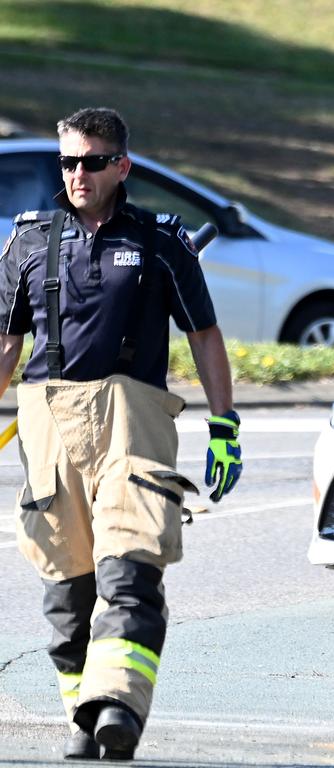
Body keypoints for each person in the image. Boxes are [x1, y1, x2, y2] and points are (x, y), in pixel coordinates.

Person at [0, 107, 240, 760]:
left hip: (134, 421)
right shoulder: (28, 241)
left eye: (92, 161)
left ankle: (120, 708)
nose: (77, 173)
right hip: (49, 425)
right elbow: (6, 343)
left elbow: (204, 335)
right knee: (65, 591)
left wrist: (225, 424)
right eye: (68, 162)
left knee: (131, 570)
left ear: (121, 166)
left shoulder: (162, 241)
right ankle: (84, 710)